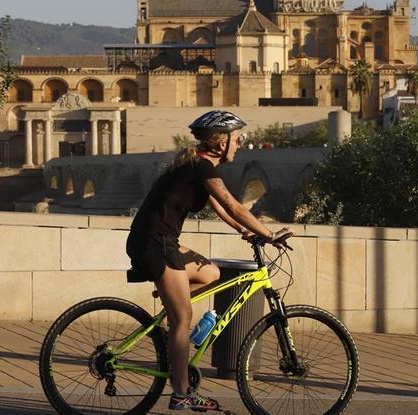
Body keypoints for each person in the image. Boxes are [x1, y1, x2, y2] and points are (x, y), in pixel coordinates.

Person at [125, 110, 293, 411]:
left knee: (212, 273)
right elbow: (233, 204)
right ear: (220, 142)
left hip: (161, 241)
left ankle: (172, 298)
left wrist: (245, 232)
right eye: (237, 139)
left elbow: (220, 208)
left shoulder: (200, 167)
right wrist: (268, 234)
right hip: (154, 243)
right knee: (182, 320)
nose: (240, 144)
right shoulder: (202, 167)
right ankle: (181, 394)